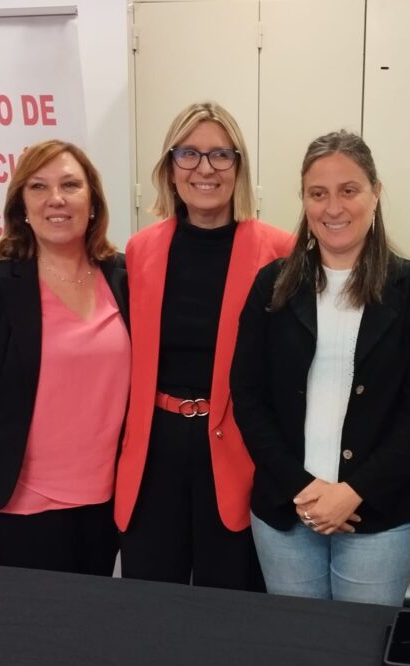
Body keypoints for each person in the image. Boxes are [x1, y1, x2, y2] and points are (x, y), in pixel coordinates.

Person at [231, 130, 410, 606]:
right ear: (304, 201)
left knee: (360, 652)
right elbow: (248, 397)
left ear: (375, 193)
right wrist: (303, 489)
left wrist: (353, 491)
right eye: (318, 193)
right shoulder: (272, 286)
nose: (334, 208)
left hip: (379, 518)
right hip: (287, 513)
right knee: (299, 650)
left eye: (348, 190)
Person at [114, 102, 293, 590]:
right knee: (152, 603)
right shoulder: (140, 249)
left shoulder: (280, 250)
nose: (204, 169)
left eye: (220, 155)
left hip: (237, 449)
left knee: (229, 608)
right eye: (188, 154)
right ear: (170, 169)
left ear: (240, 168)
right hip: (154, 450)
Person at [0, 140, 129, 575]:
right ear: (21, 206)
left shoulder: (124, 276)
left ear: (92, 202)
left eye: (70, 185)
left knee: (95, 626)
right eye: (38, 187)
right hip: (20, 503)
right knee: (36, 636)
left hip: (107, 500)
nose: (55, 198)